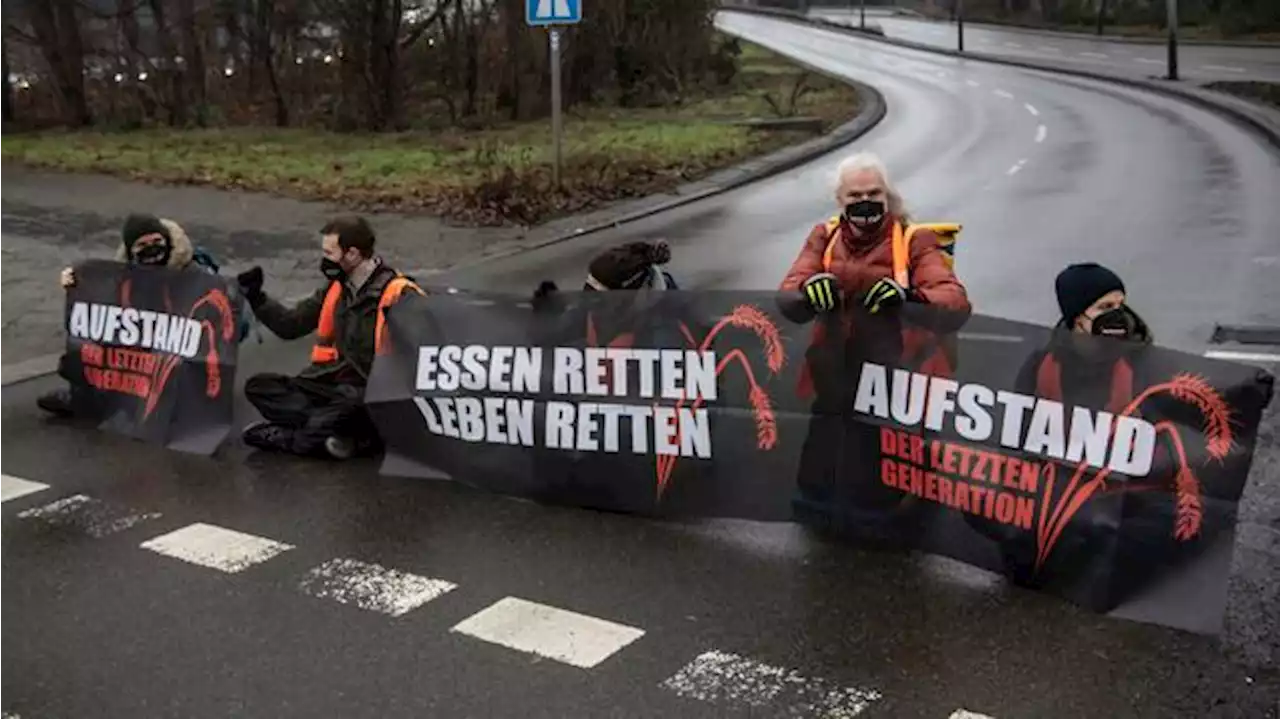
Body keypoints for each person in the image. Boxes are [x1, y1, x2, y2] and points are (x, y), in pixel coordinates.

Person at [779, 153, 971, 543]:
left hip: (894, 376)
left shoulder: (914, 240)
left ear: (887, 195)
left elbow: (954, 301)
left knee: (888, 477)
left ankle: (901, 523)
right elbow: (790, 290)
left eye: (874, 192)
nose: (865, 201)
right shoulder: (824, 237)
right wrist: (805, 293)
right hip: (834, 371)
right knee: (820, 472)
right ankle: (823, 520)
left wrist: (910, 297)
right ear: (840, 199)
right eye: (855, 194)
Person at [235, 215, 422, 460]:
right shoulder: (336, 288)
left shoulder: (399, 294)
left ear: (352, 254)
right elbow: (291, 326)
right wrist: (257, 297)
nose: (324, 261)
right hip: (331, 384)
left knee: (344, 406)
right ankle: (341, 435)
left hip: (371, 393)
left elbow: (421, 356)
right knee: (260, 387)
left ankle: (294, 438)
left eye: (329, 253)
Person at [37, 213, 248, 417]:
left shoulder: (197, 275)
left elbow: (238, 330)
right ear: (131, 251)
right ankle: (84, 399)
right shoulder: (123, 278)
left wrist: (230, 311)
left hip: (182, 357)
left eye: (156, 241)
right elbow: (99, 317)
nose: (151, 249)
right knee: (78, 360)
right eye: (142, 245)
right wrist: (78, 286)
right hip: (142, 357)